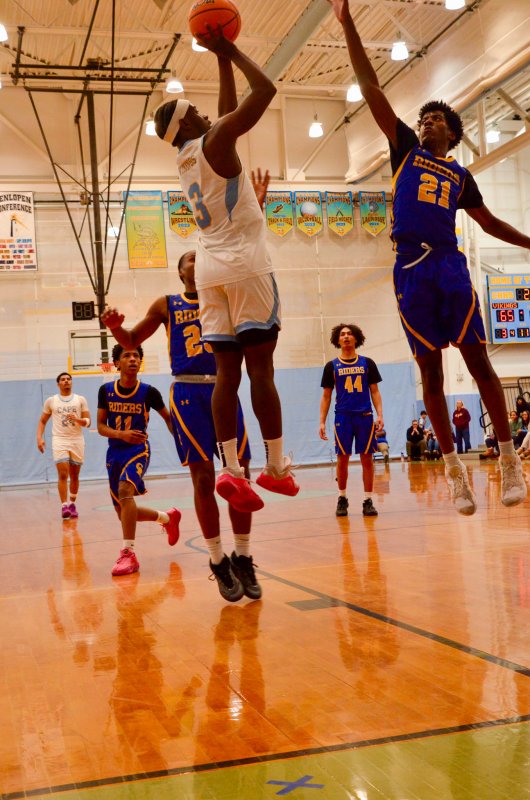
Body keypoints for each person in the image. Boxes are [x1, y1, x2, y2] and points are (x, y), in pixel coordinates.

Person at [328, 0, 528, 515]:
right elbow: (372, 90)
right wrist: (348, 24)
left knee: (479, 360)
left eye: (435, 119)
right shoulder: (403, 152)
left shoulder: (461, 176)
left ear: (453, 136)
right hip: (408, 270)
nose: (425, 123)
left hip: (448, 263)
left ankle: (508, 460)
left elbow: (489, 224)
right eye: (422, 118)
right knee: (431, 374)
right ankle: (454, 472)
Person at [153, 28, 298, 515]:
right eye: (194, 110)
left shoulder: (186, 156)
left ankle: (232, 471)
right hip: (245, 265)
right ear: (188, 121)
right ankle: (276, 468)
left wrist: (218, 61)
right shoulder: (214, 139)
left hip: (210, 270)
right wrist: (232, 49)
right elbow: (266, 93)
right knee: (261, 369)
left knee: (226, 375)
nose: (203, 110)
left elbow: (228, 107)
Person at [101, 251, 261, 602]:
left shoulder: (226, 296)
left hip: (224, 385)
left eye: (202, 257)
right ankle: (218, 559)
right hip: (187, 390)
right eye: (190, 258)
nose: (197, 260)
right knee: (203, 478)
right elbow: (130, 340)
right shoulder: (167, 304)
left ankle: (244, 556)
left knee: (240, 475)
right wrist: (114, 327)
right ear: (181, 271)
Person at [97, 344, 181, 577]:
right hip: (114, 453)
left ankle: (128, 553)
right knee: (123, 511)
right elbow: (101, 427)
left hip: (138, 451)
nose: (133, 359)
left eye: (136, 355)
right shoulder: (105, 391)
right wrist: (121, 434)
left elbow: (168, 419)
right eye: (127, 355)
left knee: (126, 490)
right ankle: (167, 517)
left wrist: (185, 442)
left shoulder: (149, 392)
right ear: (117, 363)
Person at [319, 323, 384, 517]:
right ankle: (342, 498)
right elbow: (326, 396)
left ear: (356, 338)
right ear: (337, 340)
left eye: (349, 334)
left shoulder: (367, 363)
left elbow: (375, 391)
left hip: (364, 416)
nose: (346, 336)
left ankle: (368, 500)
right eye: (342, 334)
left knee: (367, 459)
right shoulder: (331, 366)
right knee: (342, 459)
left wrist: (380, 414)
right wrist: (322, 421)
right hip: (343, 417)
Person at [37, 372, 91, 519]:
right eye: (63, 379)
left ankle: (72, 504)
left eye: (68, 379)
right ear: (58, 384)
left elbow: (88, 422)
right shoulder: (51, 401)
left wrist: (78, 420)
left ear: (71, 382)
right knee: (62, 474)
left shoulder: (80, 400)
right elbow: (42, 421)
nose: (66, 381)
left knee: (74, 475)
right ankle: (64, 506)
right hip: (59, 440)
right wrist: (39, 438)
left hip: (77, 439)